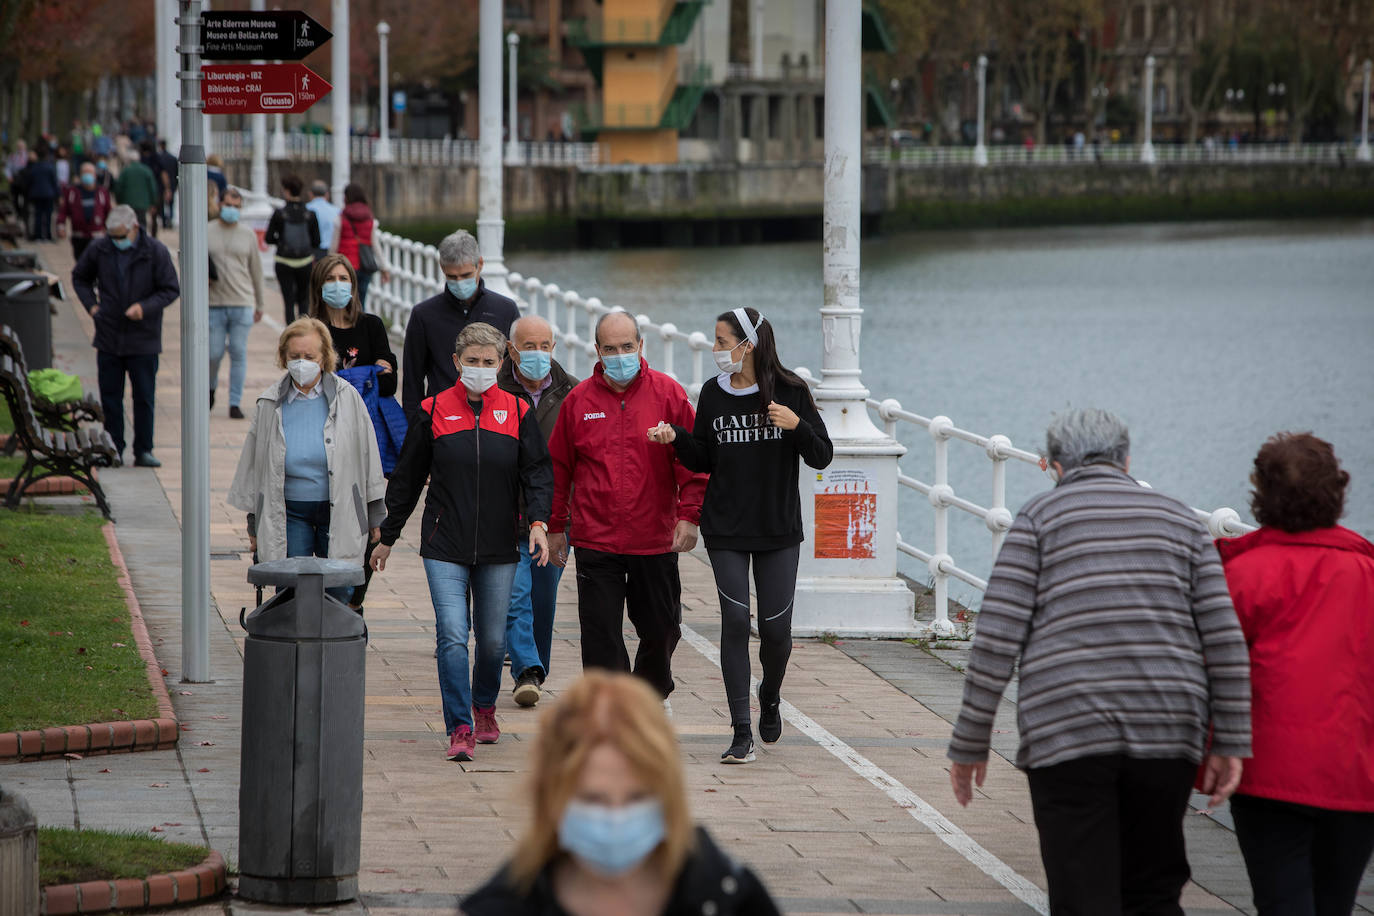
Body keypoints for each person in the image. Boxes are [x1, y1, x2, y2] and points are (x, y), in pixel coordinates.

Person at [946, 408, 1252, 915]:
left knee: (1081, 891)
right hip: (1167, 733)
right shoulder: (1180, 519)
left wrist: (970, 744)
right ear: (1126, 460)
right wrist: (1233, 742)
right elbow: (1222, 639)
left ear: (1054, 465)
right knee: (1154, 888)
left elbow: (997, 638)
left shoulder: (1038, 520)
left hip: (1067, 732)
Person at [648, 307, 832, 763]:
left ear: (746, 345)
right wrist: (676, 439)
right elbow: (704, 458)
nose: (715, 350)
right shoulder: (713, 393)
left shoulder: (790, 391)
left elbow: (822, 455)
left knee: (776, 632)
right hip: (726, 528)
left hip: (777, 529)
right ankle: (741, 730)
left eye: (720, 340)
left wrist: (797, 425)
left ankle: (769, 695)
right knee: (734, 622)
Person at [372, 322, 553, 762]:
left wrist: (538, 522)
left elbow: (537, 473)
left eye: (488, 362)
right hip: (443, 542)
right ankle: (459, 725)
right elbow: (409, 478)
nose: (479, 368)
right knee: (453, 635)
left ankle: (485, 706)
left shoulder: (517, 411)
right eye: (471, 361)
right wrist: (387, 536)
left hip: (500, 545)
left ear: (501, 363)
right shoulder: (433, 410)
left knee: (492, 642)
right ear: (456, 363)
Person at [460, 671, 782, 916]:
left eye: (637, 798)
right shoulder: (501, 905)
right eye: (592, 799)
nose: (616, 818)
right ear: (552, 797)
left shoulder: (732, 899)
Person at [1215, 433, 1374, 916]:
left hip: (1268, 772)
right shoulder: (1366, 573)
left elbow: (1216, 671)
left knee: (1282, 900)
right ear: (1338, 491)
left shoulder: (1242, 575)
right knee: (1336, 903)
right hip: (1355, 772)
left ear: (1261, 493)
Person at [546, 310, 706, 702]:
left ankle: (650, 694)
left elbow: (695, 460)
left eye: (627, 347)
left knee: (663, 627)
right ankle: (614, 709)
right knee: (600, 632)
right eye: (611, 348)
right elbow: (558, 468)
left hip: (654, 538)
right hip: (596, 539)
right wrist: (554, 526)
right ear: (597, 350)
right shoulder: (578, 401)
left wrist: (689, 515)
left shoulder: (669, 393)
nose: (620, 355)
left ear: (641, 346)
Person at [228, 318, 386, 606]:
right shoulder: (269, 402)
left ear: (325, 356)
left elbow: (368, 458)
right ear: (283, 357)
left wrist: (375, 514)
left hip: (338, 508)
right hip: (291, 511)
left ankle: (336, 647)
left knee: (339, 588)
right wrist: (254, 524)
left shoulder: (348, 398)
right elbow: (254, 467)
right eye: (295, 357)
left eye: (310, 356)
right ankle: (296, 649)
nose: (302, 363)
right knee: (291, 589)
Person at [308, 253, 399, 614]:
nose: (338, 285)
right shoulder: (311, 329)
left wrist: (346, 377)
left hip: (365, 440)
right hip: (322, 439)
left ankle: (353, 601)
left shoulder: (372, 325)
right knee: (330, 522)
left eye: (344, 278)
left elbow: (390, 382)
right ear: (319, 286)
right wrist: (363, 375)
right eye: (330, 279)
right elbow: (309, 383)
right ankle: (329, 599)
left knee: (368, 524)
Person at [496, 315, 578, 707]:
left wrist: (569, 518)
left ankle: (535, 671)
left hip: (555, 518)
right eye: (529, 346)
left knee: (542, 600)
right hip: (505, 514)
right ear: (511, 350)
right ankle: (526, 669)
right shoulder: (493, 389)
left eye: (545, 346)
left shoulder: (572, 393)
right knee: (516, 595)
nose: (538, 354)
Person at [71, 205, 180, 468]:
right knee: (110, 396)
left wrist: (145, 307)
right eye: (112, 236)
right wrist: (93, 306)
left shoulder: (155, 251)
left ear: (134, 227)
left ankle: (143, 449)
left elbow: (170, 289)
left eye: (120, 236)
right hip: (109, 335)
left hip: (143, 338)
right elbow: (79, 277)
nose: (116, 241)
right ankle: (114, 448)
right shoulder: (100, 248)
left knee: (144, 396)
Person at [400, 229, 520, 422]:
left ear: (480, 264)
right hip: (441, 419)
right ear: (442, 268)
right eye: (452, 277)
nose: (459, 282)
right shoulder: (423, 315)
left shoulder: (505, 310)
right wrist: (416, 428)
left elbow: (515, 370)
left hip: (496, 418)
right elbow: (412, 381)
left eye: (465, 275)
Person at [206, 187, 265, 419]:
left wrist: (260, 304)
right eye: (228, 205)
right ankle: (210, 388)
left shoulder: (247, 234)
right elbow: (189, 260)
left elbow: (256, 271)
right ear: (220, 204)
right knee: (213, 352)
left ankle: (234, 402)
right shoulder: (206, 231)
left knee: (239, 352)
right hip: (213, 303)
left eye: (237, 207)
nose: (232, 210)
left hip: (242, 302)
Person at [264, 174, 321, 323]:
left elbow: (268, 238)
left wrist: (281, 242)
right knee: (304, 300)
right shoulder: (310, 214)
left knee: (288, 301)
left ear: (286, 191)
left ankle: (290, 333)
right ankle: (303, 330)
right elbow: (317, 241)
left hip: (283, 261)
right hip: (305, 262)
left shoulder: (279, 214)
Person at [329, 182, 388, 306]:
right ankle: (360, 324)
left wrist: (328, 265)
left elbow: (334, 246)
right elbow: (376, 245)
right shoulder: (369, 218)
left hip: (345, 265)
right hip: (365, 265)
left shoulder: (341, 218)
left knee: (345, 303)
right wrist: (384, 267)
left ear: (346, 197)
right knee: (361, 302)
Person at [56, 161, 112, 261]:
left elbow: (109, 212)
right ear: (80, 175)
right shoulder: (72, 192)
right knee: (81, 266)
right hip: (79, 238)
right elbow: (63, 212)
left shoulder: (102, 192)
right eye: (84, 173)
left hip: (98, 237)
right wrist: (61, 227)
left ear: (95, 175)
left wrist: (109, 229)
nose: (87, 175)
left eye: (90, 173)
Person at [112, 148, 159, 235]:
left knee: (128, 226)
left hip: (127, 204)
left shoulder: (125, 171)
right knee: (141, 225)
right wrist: (153, 203)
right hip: (142, 205)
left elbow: (118, 188)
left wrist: (119, 201)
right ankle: (142, 243)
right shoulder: (146, 170)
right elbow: (152, 188)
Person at [25, 147, 58, 241]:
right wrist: (58, 195)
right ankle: (48, 235)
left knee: (38, 215)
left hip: (36, 195)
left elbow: (29, 182)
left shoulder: (34, 167)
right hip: (48, 194)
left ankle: (38, 235)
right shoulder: (50, 167)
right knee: (48, 216)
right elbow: (54, 182)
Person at [305, 180, 338, 261]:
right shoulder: (336, 211)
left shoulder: (306, 210)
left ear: (310, 193)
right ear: (327, 194)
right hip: (331, 252)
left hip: (311, 252)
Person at [155, 139, 178, 229]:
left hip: (160, 186)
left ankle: (164, 221)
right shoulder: (172, 158)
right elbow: (177, 173)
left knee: (161, 204)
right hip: (172, 184)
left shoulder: (158, 158)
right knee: (171, 204)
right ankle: (170, 220)